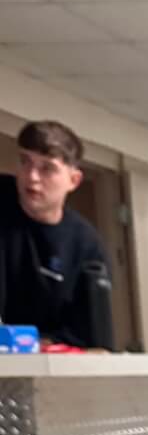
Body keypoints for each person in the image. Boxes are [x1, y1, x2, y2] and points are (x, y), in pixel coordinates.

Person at [0, 120, 115, 350]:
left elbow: (90, 333)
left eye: (47, 168)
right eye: (25, 162)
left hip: (33, 365)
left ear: (73, 181)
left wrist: (31, 344)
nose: (31, 177)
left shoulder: (86, 245)